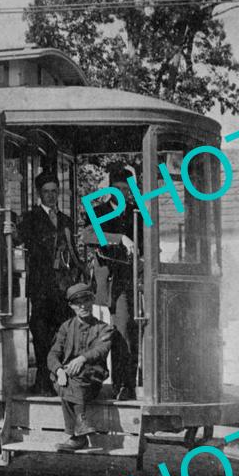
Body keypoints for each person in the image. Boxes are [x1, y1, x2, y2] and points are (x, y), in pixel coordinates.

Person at [13, 172, 82, 394]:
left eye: (54, 192)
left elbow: (72, 252)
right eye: (46, 192)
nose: (51, 196)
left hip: (63, 288)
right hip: (41, 287)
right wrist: (9, 231)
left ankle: (57, 380)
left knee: (61, 334)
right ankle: (43, 381)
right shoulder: (30, 218)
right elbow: (16, 239)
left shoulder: (65, 220)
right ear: (39, 194)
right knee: (41, 334)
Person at [82, 166, 140, 399]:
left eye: (126, 190)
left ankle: (129, 385)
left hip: (134, 280)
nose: (122, 193)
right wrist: (120, 239)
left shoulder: (136, 212)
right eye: (117, 189)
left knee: (132, 332)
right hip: (112, 284)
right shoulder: (99, 211)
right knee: (121, 332)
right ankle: (122, 386)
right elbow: (88, 236)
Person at [48, 283, 114, 451]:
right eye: (78, 303)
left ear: (92, 301)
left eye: (86, 301)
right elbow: (53, 354)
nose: (83, 306)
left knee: (74, 377)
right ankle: (81, 423)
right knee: (66, 379)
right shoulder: (66, 327)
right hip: (67, 377)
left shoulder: (103, 328)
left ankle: (75, 436)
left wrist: (82, 359)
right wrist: (58, 369)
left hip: (90, 381)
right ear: (71, 306)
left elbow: (101, 349)